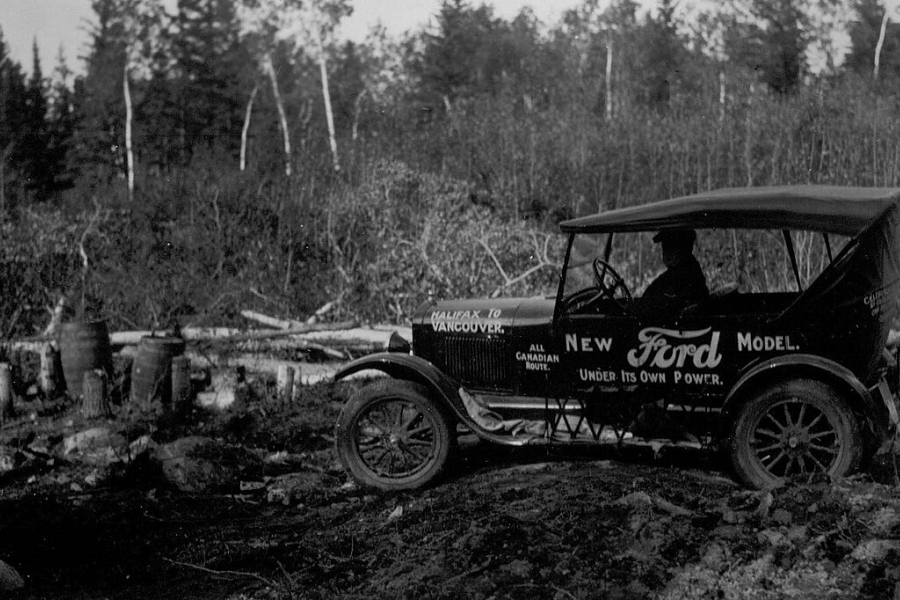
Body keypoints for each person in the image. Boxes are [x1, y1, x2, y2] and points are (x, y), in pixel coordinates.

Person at [639, 228, 708, 317]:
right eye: (664, 246)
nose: (666, 252)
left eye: (672, 246)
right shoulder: (673, 275)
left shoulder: (689, 277)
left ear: (686, 247)